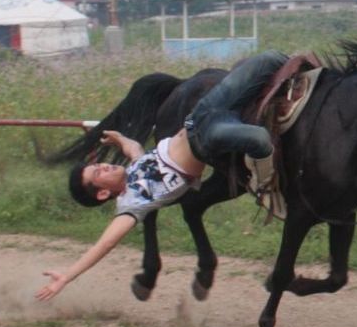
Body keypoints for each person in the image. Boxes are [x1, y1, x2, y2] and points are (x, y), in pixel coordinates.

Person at [35, 50, 287, 302]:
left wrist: (120, 138)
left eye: (98, 164)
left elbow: (133, 149)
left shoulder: (135, 169)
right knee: (260, 140)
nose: (104, 165)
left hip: (201, 114)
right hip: (208, 138)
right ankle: (265, 186)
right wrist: (67, 277)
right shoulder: (132, 204)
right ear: (102, 193)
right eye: (98, 173)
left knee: (270, 60)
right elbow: (104, 245)